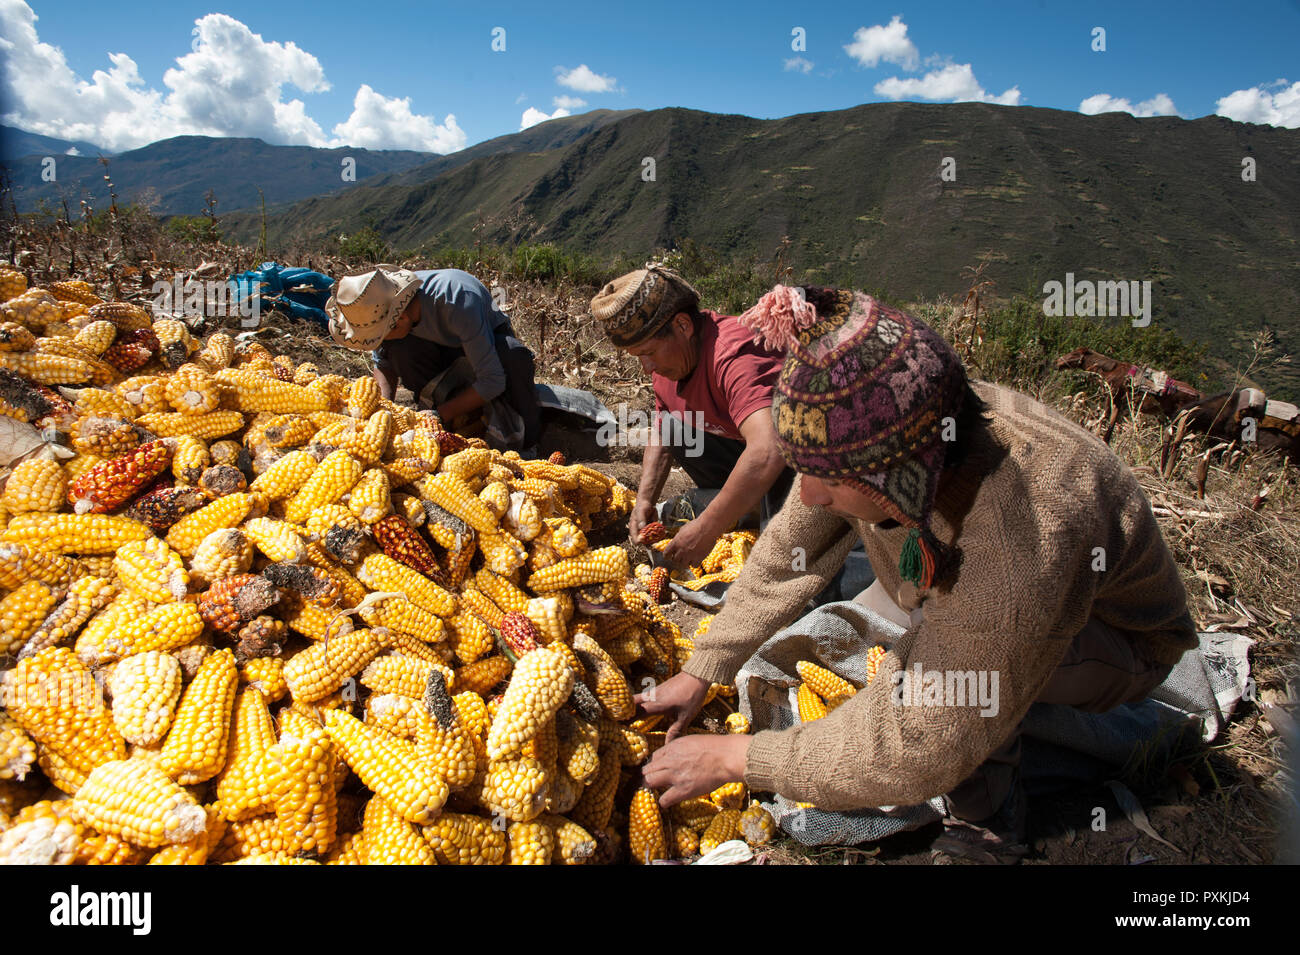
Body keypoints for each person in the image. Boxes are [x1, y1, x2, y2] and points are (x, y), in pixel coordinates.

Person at [638, 284, 1197, 859]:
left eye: (824, 481)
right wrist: (707, 666)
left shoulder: (1021, 536)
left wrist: (740, 759)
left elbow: (922, 735)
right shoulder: (889, 431)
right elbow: (786, 553)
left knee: (946, 692)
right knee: (895, 638)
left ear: (897, 480)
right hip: (952, 574)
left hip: (1115, 639)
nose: (807, 495)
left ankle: (993, 821)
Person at [590, 265, 792, 569]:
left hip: (805, 458)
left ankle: (760, 511)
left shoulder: (734, 356)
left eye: (649, 352)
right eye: (637, 357)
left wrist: (708, 528)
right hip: (742, 442)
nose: (646, 367)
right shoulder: (670, 364)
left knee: (792, 558)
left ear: (683, 326)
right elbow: (665, 426)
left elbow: (768, 450)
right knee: (678, 427)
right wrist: (645, 499)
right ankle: (746, 506)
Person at [327, 267, 541, 451]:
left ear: (401, 318)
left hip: (486, 343)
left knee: (514, 357)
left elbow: (492, 381)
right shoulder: (380, 306)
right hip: (439, 349)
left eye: (383, 335)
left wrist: (438, 415)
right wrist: (382, 409)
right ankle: (450, 412)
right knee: (398, 348)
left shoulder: (457, 301)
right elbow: (383, 363)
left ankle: (526, 442)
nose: (381, 341)